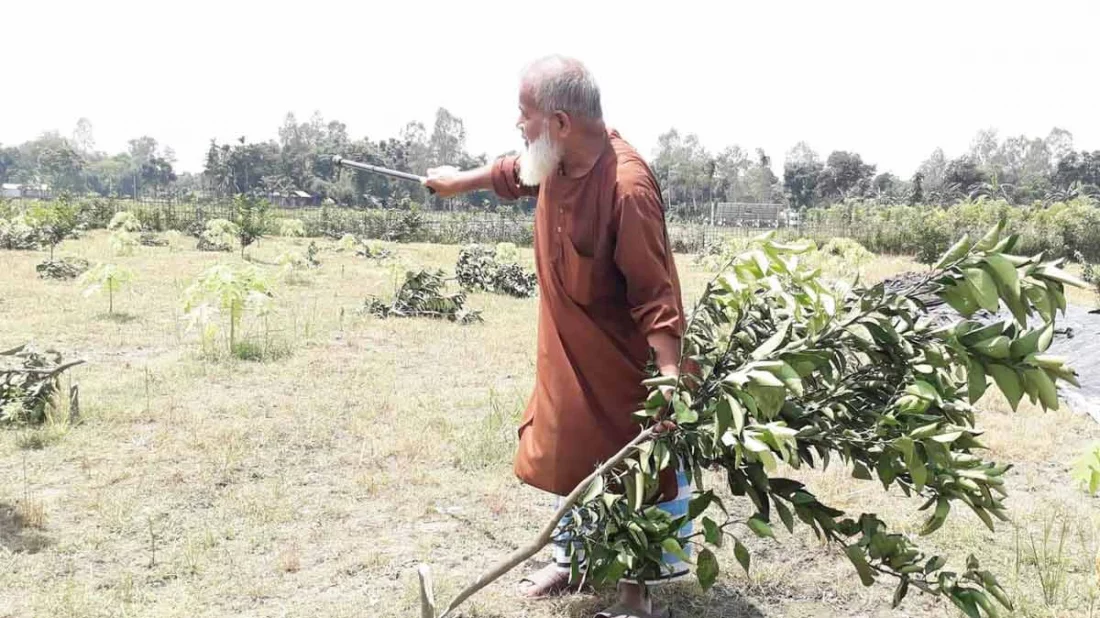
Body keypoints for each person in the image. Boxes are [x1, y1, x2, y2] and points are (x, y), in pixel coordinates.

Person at [424, 55, 689, 618]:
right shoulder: (555, 161)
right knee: (571, 453)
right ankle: (571, 558)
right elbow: (512, 173)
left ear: (561, 122)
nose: (519, 126)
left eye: (526, 116)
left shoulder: (627, 187)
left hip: (622, 365)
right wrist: (456, 184)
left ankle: (634, 599)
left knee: (627, 470)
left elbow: (655, 292)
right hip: (565, 351)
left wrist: (668, 378)